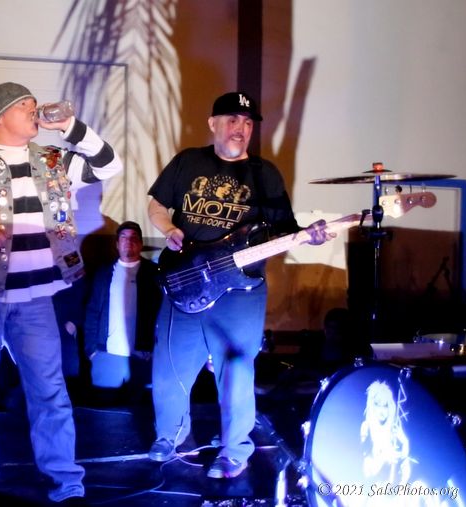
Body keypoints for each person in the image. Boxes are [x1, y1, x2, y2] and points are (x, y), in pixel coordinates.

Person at [0, 81, 123, 506]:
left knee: (50, 391)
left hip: (36, 297)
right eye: (25, 105)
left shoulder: (53, 159)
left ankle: (65, 479)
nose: (35, 109)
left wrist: (71, 127)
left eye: (34, 104)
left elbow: (109, 165)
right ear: (0, 117)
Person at [146, 92, 332, 479]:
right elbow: (156, 205)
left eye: (247, 123)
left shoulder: (265, 174)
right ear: (212, 124)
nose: (240, 129)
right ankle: (169, 435)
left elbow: (285, 230)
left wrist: (308, 236)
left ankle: (234, 451)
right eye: (232, 120)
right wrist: (169, 228)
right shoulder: (188, 161)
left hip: (240, 290)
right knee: (169, 365)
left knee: (236, 372)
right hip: (184, 278)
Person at [83, 221, 161, 405]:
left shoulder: (153, 274)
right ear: (117, 244)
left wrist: (153, 349)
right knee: (105, 410)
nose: (128, 242)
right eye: (124, 238)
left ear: (140, 244)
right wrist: (92, 350)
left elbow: (161, 314)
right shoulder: (103, 273)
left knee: (139, 410)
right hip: (107, 354)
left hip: (142, 356)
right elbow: (92, 311)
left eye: (134, 238)